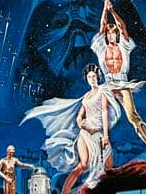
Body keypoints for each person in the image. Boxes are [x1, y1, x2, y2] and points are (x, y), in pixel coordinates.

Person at [23, 66, 120, 194]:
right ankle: (65, 192)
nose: (92, 79)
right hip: (85, 134)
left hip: (99, 134)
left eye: (94, 76)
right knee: (83, 165)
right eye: (89, 77)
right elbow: (79, 116)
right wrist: (81, 123)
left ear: (98, 77)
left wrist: (106, 135)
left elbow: (105, 111)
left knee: (108, 167)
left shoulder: (102, 92)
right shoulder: (86, 96)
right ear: (86, 79)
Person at [90, 0, 146, 162]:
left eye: (113, 33)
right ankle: (97, 157)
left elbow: (123, 27)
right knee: (97, 118)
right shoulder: (101, 47)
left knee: (133, 117)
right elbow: (102, 26)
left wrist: (112, 11)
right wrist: (104, 9)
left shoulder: (124, 45)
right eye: (108, 34)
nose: (110, 36)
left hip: (122, 83)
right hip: (108, 85)